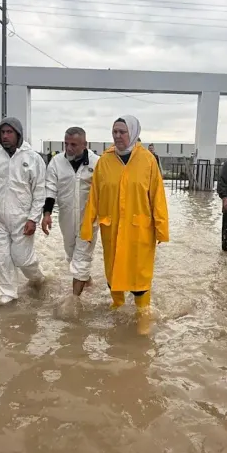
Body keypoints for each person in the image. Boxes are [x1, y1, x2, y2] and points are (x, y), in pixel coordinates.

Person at [80, 115, 169, 335]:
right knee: (113, 271)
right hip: (112, 227)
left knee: (140, 274)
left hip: (140, 229)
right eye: (115, 132)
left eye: (122, 131)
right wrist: (87, 227)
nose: (117, 136)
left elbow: (157, 196)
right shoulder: (104, 161)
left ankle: (143, 315)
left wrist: (161, 228)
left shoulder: (148, 160)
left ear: (133, 132)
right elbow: (95, 196)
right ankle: (117, 308)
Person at [0, 117, 47, 305]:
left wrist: (33, 218)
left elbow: (39, 191)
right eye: (2, 133)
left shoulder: (32, 158)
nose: (5, 136)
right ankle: (7, 294)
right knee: (1, 257)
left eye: (9, 132)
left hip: (22, 218)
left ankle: (37, 278)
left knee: (22, 258)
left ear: (18, 134)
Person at [41, 127, 100, 296]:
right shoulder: (56, 162)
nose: (69, 148)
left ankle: (74, 303)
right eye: (66, 143)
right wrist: (46, 214)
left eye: (73, 144)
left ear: (84, 144)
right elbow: (50, 188)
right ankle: (88, 283)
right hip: (66, 219)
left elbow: (106, 190)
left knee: (81, 260)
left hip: (89, 220)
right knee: (72, 257)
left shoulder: (97, 163)